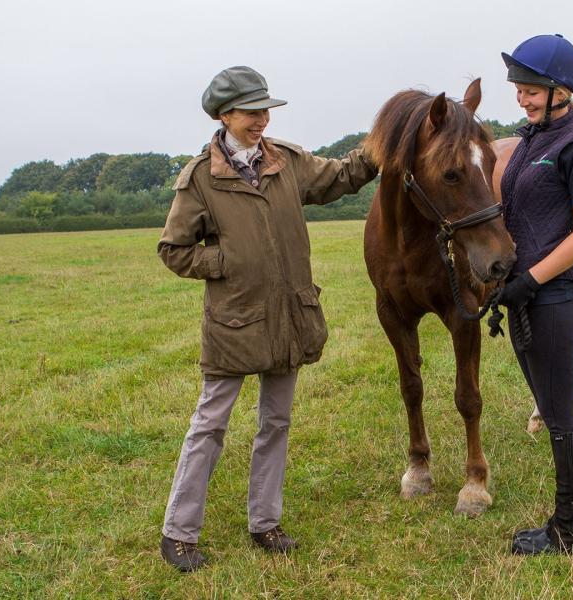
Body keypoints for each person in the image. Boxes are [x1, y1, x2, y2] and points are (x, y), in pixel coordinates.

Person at [156, 66, 377, 571]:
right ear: (224, 115)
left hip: (289, 317)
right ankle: (179, 533)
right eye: (252, 112)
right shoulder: (199, 180)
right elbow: (173, 250)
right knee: (209, 425)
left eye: (265, 111)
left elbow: (342, 176)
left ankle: (265, 523)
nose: (262, 120)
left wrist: (379, 147)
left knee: (275, 421)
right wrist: (226, 261)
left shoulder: (288, 161)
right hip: (235, 321)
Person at [494, 34, 573, 555]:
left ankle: (570, 531)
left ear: (561, 88)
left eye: (531, 89)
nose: (522, 97)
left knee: (561, 416)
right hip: (525, 298)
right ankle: (567, 523)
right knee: (549, 404)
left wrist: (531, 279)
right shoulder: (530, 141)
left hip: (556, 296)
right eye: (518, 89)